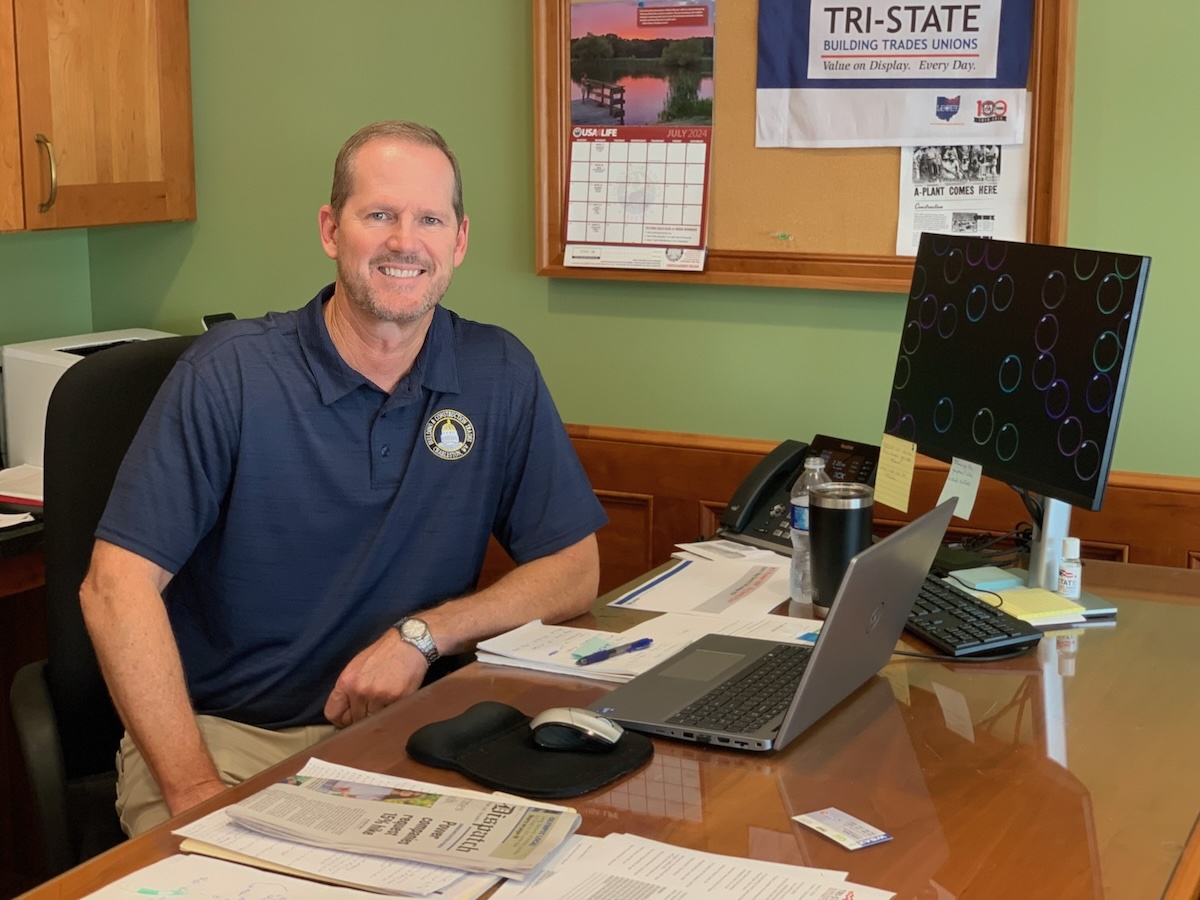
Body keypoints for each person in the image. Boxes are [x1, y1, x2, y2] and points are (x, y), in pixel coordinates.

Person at [79, 120, 607, 836]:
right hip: (228, 741)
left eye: (429, 219)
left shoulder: (497, 370)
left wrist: (425, 634)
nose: (404, 242)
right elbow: (114, 588)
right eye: (379, 215)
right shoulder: (230, 374)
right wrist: (196, 789)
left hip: (409, 733)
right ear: (331, 230)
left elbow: (574, 569)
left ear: (459, 241)